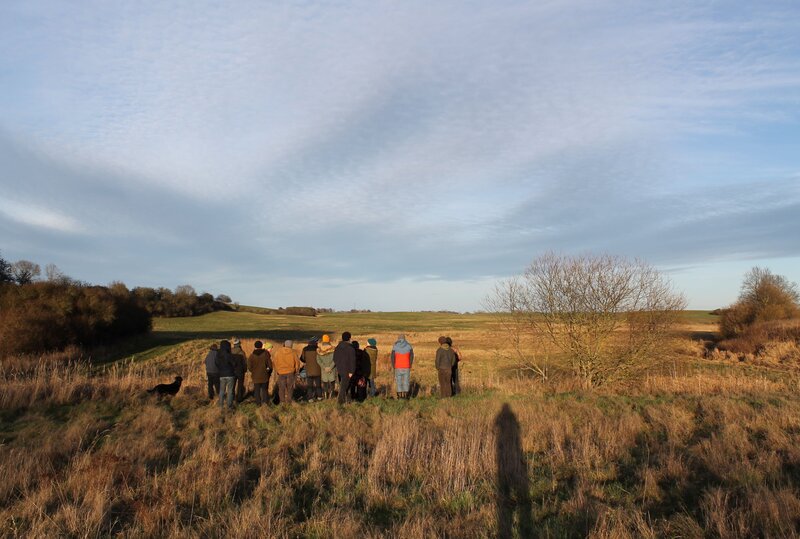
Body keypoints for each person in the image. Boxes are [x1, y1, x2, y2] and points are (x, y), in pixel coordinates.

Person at [273, 340, 301, 404]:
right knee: (290, 387)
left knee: (281, 388)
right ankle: (289, 401)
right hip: (290, 372)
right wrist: (296, 371)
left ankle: (282, 401)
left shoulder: (278, 352)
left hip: (281, 372)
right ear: (291, 345)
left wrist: (277, 370)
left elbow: (275, 362)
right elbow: (297, 363)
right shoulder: (293, 352)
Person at [333, 331, 356, 404]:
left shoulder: (337, 347)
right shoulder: (350, 348)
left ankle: (346, 400)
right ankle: (340, 401)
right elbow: (352, 361)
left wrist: (339, 365)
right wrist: (351, 372)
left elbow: (334, 358)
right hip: (347, 370)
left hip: (339, 369)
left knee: (343, 385)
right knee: (344, 387)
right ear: (349, 338)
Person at [247, 341, 273, 405]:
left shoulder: (251, 356)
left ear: (255, 346)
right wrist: (268, 371)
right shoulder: (266, 354)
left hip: (255, 376)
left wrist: (253, 371)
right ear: (261, 346)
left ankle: (258, 403)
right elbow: (270, 365)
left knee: (257, 390)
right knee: (264, 390)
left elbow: (249, 367)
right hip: (265, 375)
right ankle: (265, 403)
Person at [215, 340, 237, 410]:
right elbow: (234, 364)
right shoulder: (229, 355)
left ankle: (220, 406)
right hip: (230, 374)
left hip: (221, 375)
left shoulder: (218, 355)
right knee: (230, 391)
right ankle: (229, 406)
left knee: (222, 391)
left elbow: (216, 364)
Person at [391, 334, 414, 399]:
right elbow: (412, 356)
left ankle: (399, 396)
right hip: (407, 366)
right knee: (406, 381)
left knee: (399, 381)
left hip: (397, 366)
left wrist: (394, 365)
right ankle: (406, 396)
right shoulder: (409, 346)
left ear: (398, 338)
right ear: (404, 338)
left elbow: (392, 357)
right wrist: (410, 364)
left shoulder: (395, 346)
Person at [300, 337, 322, 401]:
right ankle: (319, 397)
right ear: (315, 342)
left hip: (308, 370)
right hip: (318, 370)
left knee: (310, 386)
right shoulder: (318, 349)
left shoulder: (305, 349)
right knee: (318, 385)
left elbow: (302, 359)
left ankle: (310, 398)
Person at [317, 334, 336, 399]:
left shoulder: (319, 350)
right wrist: (330, 367)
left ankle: (325, 395)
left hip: (324, 370)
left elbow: (318, 360)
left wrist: (324, 367)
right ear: (329, 340)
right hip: (332, 370)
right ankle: (331, 396)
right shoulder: (333, 349)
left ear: (323, 340)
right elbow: (335, 359)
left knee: (325, 383)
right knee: (332, 383)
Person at [231, 338, 247, 403]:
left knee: (232, 385)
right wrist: (245, 370)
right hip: (240, 371)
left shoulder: (230, 351)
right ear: (239, 344)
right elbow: (245, 362)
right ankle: (239, 398)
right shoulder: (242, 352)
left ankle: (231, 397)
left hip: (232, 371)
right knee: (240, 385)